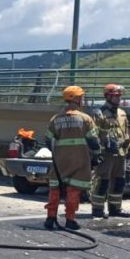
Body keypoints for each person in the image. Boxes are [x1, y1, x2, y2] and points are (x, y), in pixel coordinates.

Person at [44, 85, 102, 231]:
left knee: (55, 189)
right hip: (79, 160)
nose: (83, 100)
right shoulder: (85, 119)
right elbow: (93, 142)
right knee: (73, 190)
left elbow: (47, 141)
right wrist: (96, 155)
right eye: (81, 97)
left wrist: (58, 153)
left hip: (59, 161)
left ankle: (50, 218)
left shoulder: (55, 119)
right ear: (76, 99)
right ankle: (70, 220)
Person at [89, 84, 130, 218]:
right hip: (106, 154)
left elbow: (125, 131)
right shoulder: (99, 114)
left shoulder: (122, 113)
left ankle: (115, 208)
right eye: (116, 96)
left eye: (119, 96)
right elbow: (93, 135)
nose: (119, 99)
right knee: (103, 181)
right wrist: (100, 150)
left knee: (119, 181)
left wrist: (127, 143)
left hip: (120, 153)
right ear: (107, 96)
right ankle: (97, 209)